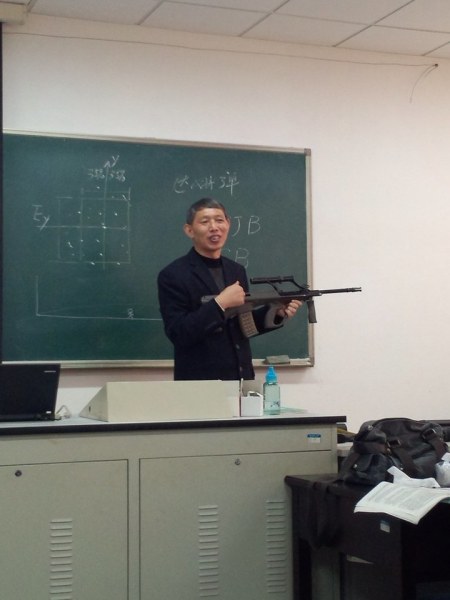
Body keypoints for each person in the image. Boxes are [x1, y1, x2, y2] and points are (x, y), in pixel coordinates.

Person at [157, 198, 301, 380]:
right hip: (200, 383)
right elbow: (179, 333)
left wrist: (275, 313)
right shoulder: (173, 275)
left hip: (240, 378)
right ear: (189, 230)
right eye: (205, 221)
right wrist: (219, 304)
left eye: (219, 220)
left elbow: (242, 326)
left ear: (228, 224)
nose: (214, 227)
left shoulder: (236, 270)